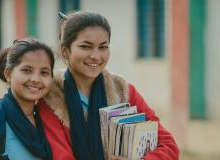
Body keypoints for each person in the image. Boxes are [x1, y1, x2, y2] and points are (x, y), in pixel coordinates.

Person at [37, 11, 179, 160]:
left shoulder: (123, 91)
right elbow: (61, 156)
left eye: (103, 47)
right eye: (86, 47)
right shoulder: (51, 97)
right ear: (65, 51)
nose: (96, 56)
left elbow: (169, 145)